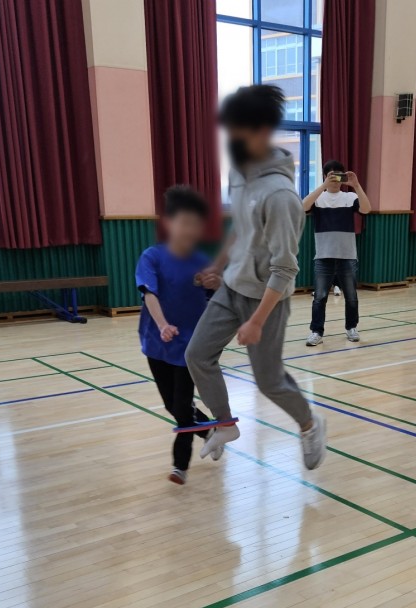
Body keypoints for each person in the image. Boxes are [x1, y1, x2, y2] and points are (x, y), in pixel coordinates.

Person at [185, 84, 327, 470]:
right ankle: (225, 423)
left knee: (269, 381)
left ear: (262, 130)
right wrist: (218, 265)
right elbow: (241, 227)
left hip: (266, 299)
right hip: (231, 287)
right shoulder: (240, 173)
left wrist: (257, 321)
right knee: (197, 355)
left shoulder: (281, 197)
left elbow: (286, 268)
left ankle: (309, 424)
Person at [136, 186, 223, 485]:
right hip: (157, 342)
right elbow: (149, 293)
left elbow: (215, 300)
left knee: (183, 407)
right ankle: (209, 430)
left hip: (190, 346)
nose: (190, 229)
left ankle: (180, 466)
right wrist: (162, 325)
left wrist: (217, 285)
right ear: (169, 223)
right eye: (184, 222)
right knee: (172, 405)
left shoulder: (202, 261)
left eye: (195, 223)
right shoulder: (151, 257)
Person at [303, 161, 371, 346]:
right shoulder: (319, 198)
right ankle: (316, 332)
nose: (335, 179)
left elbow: (366, 209)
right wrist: (323, 186)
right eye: (331, 175)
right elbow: (303, 206)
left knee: (351, 297)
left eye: (339, 175)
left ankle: (351, 328)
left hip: (347, 256)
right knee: (319, 297)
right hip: (323, 256)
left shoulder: (350, 197)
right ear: (325, 176)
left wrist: (356, 185)